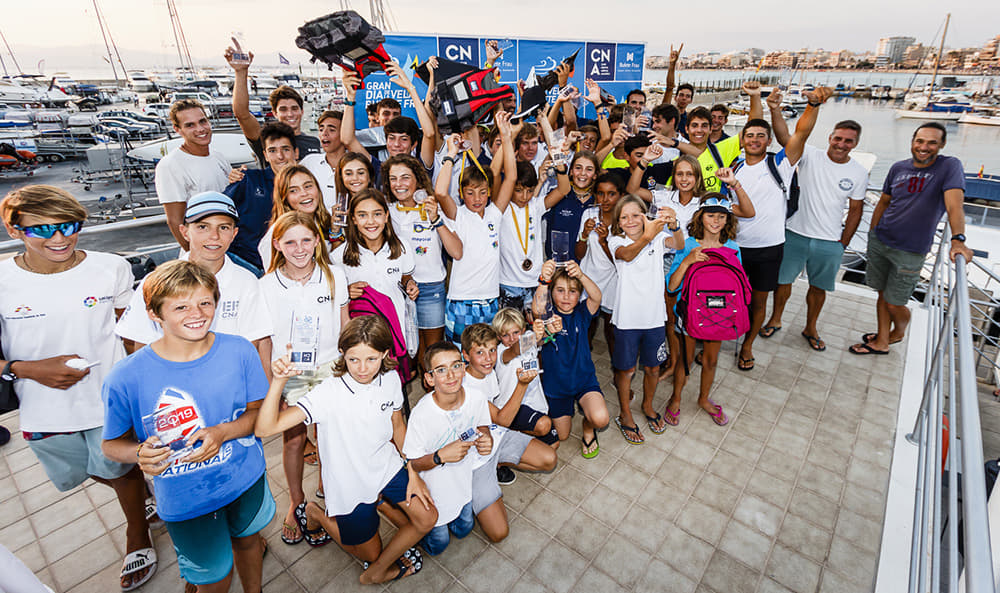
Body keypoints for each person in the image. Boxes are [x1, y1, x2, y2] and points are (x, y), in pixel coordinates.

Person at [0, 185, 154, 592]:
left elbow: (131, 331)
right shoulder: (1, 280)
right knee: (81, 471)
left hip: (108, 400)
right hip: (43, 409)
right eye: (42, 230)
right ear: (14, 230)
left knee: (121, 470)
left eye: (69, 226)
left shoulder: (111, 267)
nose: (59, 238)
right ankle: (145, 495)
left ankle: (137, 535)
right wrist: (27, 369)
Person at [102, 260, 272, 593]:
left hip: (245, 477)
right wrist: (138, 453)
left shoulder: (239, 351)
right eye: (180, 306)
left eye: (205, 303)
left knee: (249, 542)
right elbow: (111, 444)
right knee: (214, 574)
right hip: (185, 498)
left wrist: (223, 432)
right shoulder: (125, 378)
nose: (196, 313)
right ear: (154, 313)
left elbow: (258, 415)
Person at [255, 315, 437, 585]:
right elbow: (265, 428)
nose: (362, 368)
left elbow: (398, 426)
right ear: (342, 354)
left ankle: (377, 571)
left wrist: (412, 471)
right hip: (348, 482)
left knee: (427, 518)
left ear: (385, 354)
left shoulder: (389, 379)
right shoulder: (328, 392)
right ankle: (316, 512)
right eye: (354, 359)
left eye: (371, 359)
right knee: (370, 552)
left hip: (385, 466)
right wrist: (279, 380)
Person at [259, 211, 350, 546]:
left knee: (330, 439)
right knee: (295, 440)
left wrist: (349, 369)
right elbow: (264, 339)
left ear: (317, 242)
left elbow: (345, 324)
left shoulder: (334, 276)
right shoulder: (266, 286)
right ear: (277, 245)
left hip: (330, 368)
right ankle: (296, 500)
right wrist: (273, 382)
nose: (299, 248)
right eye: (290, 241)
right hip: (291, 374)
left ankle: (332, 495)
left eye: (306, 240)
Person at [850, 122, 973, 355]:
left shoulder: (949, 166)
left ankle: (899, 330)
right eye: (920, 141)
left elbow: (954, 206)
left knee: (895, 302)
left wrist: (958, 239)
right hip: (881, 240)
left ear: (942, 145)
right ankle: (882, 340)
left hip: (910, 250)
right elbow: (884, 201)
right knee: (882, 295)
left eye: (932, 142)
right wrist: (873, 232)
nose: (924, 147)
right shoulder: (898, 168)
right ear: (912, 142)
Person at [115, 192, 273, 372]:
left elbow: (255, 343)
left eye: (223, 228)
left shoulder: (247, 282)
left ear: (234, 233)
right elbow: (138, 342)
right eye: (202, 227)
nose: (214, 236)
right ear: (184, 231)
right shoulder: (155, 282)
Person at [761, 95, 870, 352]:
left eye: (848, 141)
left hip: (829, 241)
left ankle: (811, 327)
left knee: (818, 289)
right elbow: (783, 137)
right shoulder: (810, 155)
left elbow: (856, 210)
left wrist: (842, 243)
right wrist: (775, 109)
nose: (841, 144)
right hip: (795, 233)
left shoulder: (858, 172)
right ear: (830, 137)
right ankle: (775, 319)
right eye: (838, 138)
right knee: (782, 283)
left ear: (855, 144)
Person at [733, 87, 829, 371]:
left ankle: (747, 346)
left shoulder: (780, 163)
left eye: (760, 136)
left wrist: (812, 104)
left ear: (769, 140)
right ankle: (722, 339)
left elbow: (801, 134)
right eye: (749, 135)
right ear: (743, 139)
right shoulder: (735, 166)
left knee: (759, 301)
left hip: (768, 248)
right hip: (735, 248)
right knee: (733, 299)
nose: (754, 139)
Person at [402, 342, 509, 554]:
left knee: (464, 529)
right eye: (441, 370)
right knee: (438, 544)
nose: (451, 375)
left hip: (464, 486)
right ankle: (409, 522)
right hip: (435, 495)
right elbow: (414, 462)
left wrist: (485, 436)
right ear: (429, 379)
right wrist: (439, 456)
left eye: (456, 366)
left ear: (464, 368)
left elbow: (481, 424)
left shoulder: (476, 398)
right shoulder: (421, 415)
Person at [607, 195, 684, 444]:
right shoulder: (615, 240)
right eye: (624, 217)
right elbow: (627, 255)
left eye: (635, 215)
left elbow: (680, 245)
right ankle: (625, 414)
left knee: (653, 367)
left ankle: (648, 406)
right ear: (618, 222)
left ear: (645, 215)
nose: (630, 220)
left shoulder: (659, 237)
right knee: (626, 369)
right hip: (627, 320)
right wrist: (649, 235)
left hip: (654, 318)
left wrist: (674, 224)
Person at [435, 113, 516, 343]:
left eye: (482, 191)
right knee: (460, 357)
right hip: (461, 301)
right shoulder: (457, 213)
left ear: (489, 191)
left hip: (491, 300)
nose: (477, 198)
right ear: (461, 194)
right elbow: (440, 192)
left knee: (487, 358)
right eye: (469, 192)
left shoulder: (494, 213)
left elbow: (510, 178)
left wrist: (507, 138)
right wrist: (451, 154)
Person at [666, 194, 747, 426]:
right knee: (685, 360)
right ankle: (676, 398)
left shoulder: (733, 248)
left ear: (728, 220)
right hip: (690, 312)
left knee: (711, 361)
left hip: (718, 314)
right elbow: (672, 286)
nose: (716, 220)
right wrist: (687, 261)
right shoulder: (688, 244)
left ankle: (703, 398)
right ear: (701, 217)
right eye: (711, 215)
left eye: (722, 216)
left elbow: (738, 285)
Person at [383, 155, 463, 373]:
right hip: (397, 288)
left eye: (405, 178)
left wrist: (436, 218)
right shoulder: (385, 211)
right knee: (409, 350)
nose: (399, 184)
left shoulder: (434, 207)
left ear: (417, 179)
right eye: (393, 179)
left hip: (430, 287)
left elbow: (456, 251)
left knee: (433, 351)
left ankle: (434, 393)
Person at [461, 323, 558, 485]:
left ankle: (498, 463)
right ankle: (485, 467)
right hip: (475, 443)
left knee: (550, 457)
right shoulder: (467, 387)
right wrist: (522, 384)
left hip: (495, 430)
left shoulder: (486, 369)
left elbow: (517, 348)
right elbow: (502, 419)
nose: (488, 358)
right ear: (465, 355)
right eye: (479, 352)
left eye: (492, 350)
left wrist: (544, 332)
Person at [535, 260, 611, 458]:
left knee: (600, 419)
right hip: (556, 388)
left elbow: (597, 296)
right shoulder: (546, 315)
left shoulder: (582, 313)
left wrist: (581, 275)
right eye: (560, 290)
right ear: (551, 293)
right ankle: (568, 411)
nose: (566, 296)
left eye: (573, 291)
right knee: (563, 435)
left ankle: (587, 426)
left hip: (583, 381)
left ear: (579, 294)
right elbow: (536, 309)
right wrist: (543, 281)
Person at [333, 189, 418, 350]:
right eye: (363, 215)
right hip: (360, 335)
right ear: (354, 219)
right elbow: (333, 296)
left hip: (395, 329)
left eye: (377, 214)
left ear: (386, 216)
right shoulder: (339, 256)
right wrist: (346, 291)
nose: (371, 221)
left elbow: (406, 278)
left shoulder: (402, 246)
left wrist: (411, 285)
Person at [155, 99, 232, 252]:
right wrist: (197, 259)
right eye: (190, 125)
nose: (200, 129)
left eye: (202, 121)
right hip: (203, 252)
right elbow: (175, 220)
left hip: (227, 246)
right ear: (177, 129)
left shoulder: (218, 157)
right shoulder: (170, 165)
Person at [224, 122, 300, 276]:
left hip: (283, 268)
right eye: (273, 151)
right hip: (245, 265)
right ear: (265, 155)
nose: (280, 156)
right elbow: (218, 211)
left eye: (286, 149)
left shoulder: (304, 189)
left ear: (296, 153)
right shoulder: (247, 180)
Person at [226, 47, 320, 164]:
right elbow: (242, 114)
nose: (290, 114)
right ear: (275, 113)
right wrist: (240, 72)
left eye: (294, 108)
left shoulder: (313, 142)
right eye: (283, 109)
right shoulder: (265, 140)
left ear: (302, 111)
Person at [576, 172, 623, 355]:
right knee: (588, 326)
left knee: (611, 331)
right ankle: (583, 364)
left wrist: (604, 242)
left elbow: (620, 263)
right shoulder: (589, 214)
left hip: (613, 281)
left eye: (611, 194)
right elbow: (579, 253)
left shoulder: (625, 220)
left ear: (620, 196)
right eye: (601, 193)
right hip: (589, 279)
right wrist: (585, 235)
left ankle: (618, 370)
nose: (605, 199)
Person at [257, 164, 335, 272]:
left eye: (308, 186)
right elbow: (275, 280)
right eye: (293, 190)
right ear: (284, 198)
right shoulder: (277, 232)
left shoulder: (324, 221)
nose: (304, 193)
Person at [300, 110, 347, 212]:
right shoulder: (309, 163)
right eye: (321, 129)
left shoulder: (356, 164)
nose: (324, 134)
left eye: (331, 130)